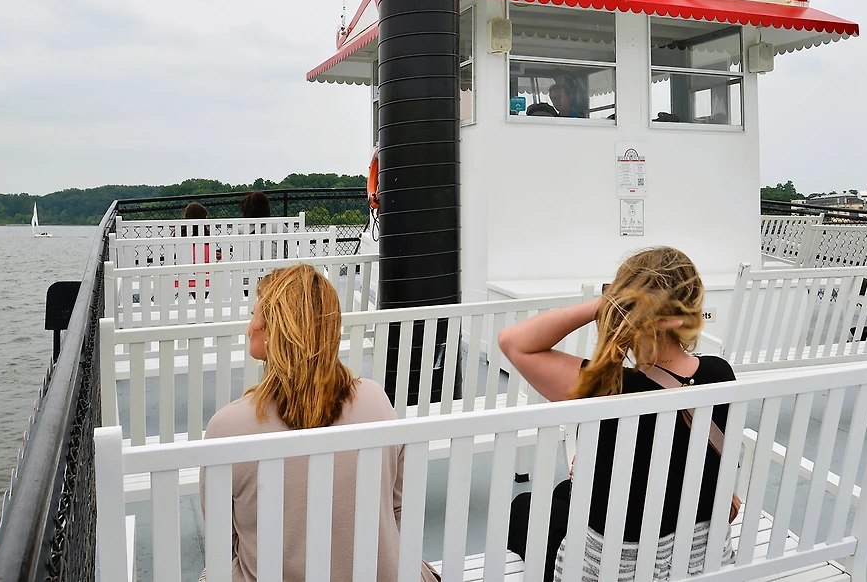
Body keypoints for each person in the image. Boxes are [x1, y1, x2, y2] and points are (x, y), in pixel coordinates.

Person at [497, 247, 736, 581]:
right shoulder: (721, 373)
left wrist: (606, 303)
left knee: (525, 507)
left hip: (616, 568)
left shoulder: (605, 386)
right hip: (700, 559)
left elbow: (512, 341)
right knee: (563, 494)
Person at [203, 265, 439, 582]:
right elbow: (397, 505)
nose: (249, 328)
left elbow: (222, 537)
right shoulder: (375, 400)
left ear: (275, 330)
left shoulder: (227, 426)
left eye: (254, 315)